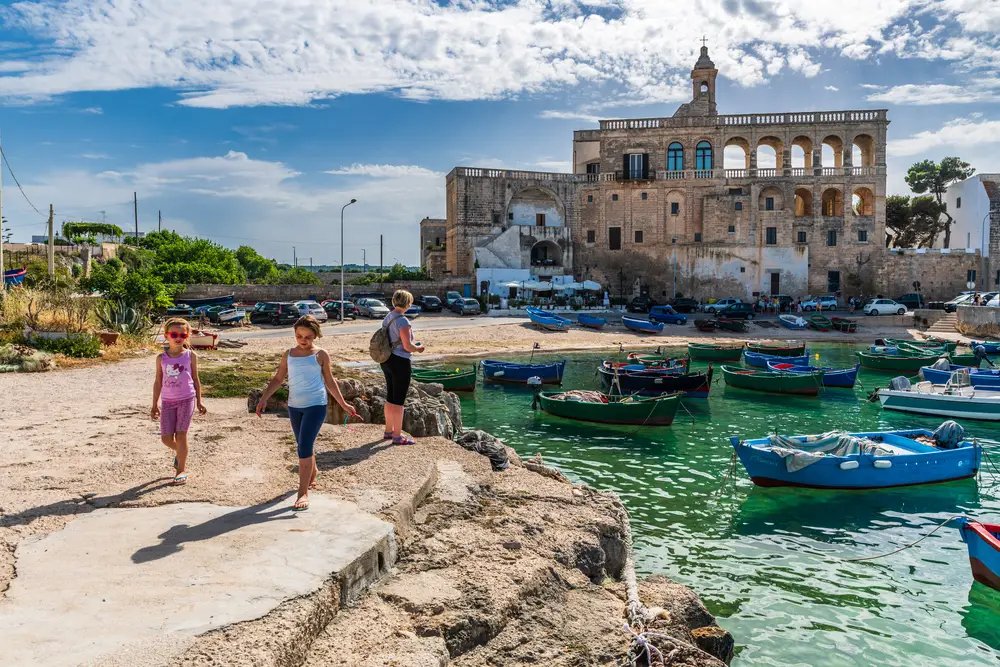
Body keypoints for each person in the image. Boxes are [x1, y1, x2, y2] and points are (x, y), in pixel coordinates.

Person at [255, 316, 359, 511]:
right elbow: (278, 378)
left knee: (303, 446)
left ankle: (302, 493)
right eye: (299, 336)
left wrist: (343, 404)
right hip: (294, 406)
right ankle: (314, 472)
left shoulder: (321, 355)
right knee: (303, 444)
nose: (303, 340)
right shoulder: (288, 354)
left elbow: (330, 381)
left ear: (316, 336)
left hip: (316, 405)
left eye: (308, 337)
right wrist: (264, 398)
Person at [151, 318, 207, 485]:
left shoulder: (191, 356)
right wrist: (154, 404)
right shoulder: (161, 358)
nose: (178, 337)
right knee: (166, 438)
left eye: (182, 334)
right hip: (167, 401)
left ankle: (181, 470)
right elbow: (158, 382)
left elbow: (196, 379)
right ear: (166, 336)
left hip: (186, 399)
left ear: (187, 336)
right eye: (174, 334)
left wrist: (199, 401)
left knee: (181, 435)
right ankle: (180, 453)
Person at [381, 290, 425, 445]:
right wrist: (418, 348)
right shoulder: (403, 321)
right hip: (400, 361)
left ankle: (388, 431)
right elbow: (407, 346)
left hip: (386, 359)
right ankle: (397, 436)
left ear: (394, 301)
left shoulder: (388, 317)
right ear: (408, 303)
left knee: (390, 396)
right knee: (399, 400)